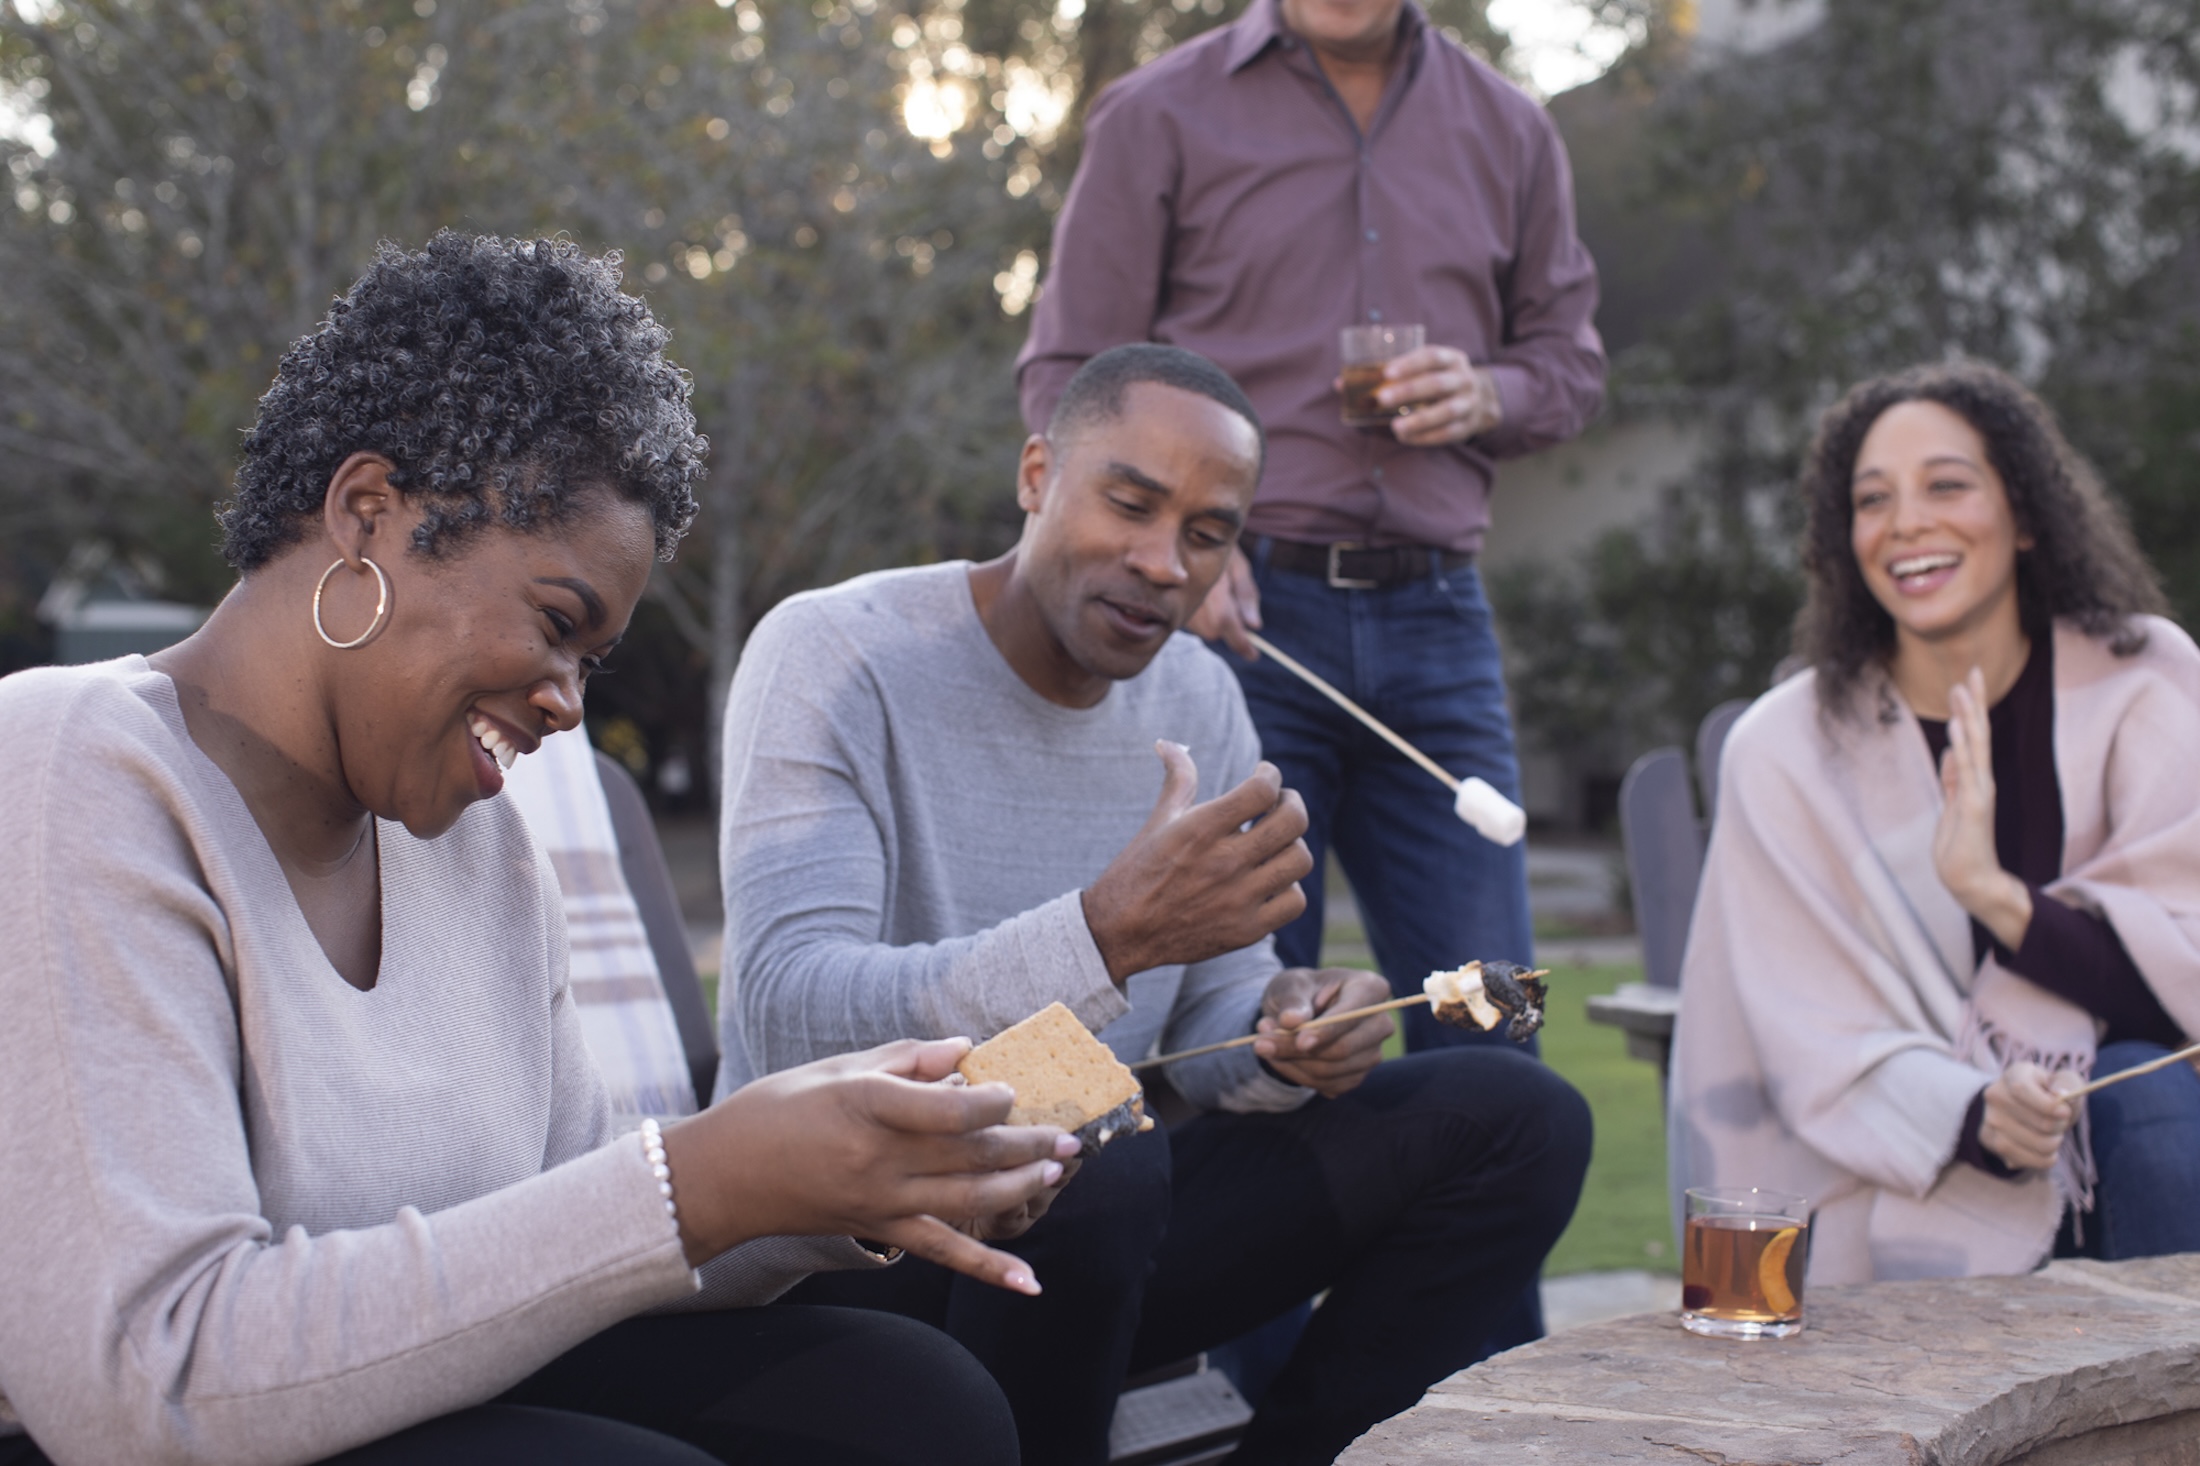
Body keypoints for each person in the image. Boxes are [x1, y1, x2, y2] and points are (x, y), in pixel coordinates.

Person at [0, 234, 1077, 1466]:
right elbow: (148, 1381)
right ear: (368, 514)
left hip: (406, 1403)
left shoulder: (479, 851)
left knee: (908, 1400)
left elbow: (581, 1234)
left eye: (593, 659)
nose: (568, 699)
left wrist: (835, 1180)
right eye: (559, 624)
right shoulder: (71, 767)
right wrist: (692, 1178)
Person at [714, 344, 1592, 1466]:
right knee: (1091, 1121)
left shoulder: (1200, 695)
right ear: (1037, 474)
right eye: (1128, 502)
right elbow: (789, 1010)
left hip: (1094, 1223)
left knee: (1518, 1116)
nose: (1162, 561)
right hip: (854, 1246)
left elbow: (1209, 1021)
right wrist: (1103, 935)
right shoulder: (837, 651)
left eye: (1207, 532)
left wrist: (1291, 1020)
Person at [1015, 0, 1607, 1065]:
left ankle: (1474, 1222)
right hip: (1237, 629)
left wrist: (1489, 390)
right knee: (1249, 1036)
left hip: (1441, 621)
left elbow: (1571, 365)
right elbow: (1067, 377)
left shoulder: (1511, 127)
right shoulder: (1155, 114)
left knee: (1499, 1026)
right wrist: (1184, 548)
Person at [1670, 360, 2200, 1284]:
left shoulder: (2145, 682)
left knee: (2150, 1092)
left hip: (2143, 1170)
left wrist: (1996, 900)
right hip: (1899, 1180)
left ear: (2026, 514)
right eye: (1873, 500)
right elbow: (1804, 1031)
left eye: (1946, 485)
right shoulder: (1788, 749)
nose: (1907, 522)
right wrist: (1974, 1111)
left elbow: (2182, 995)